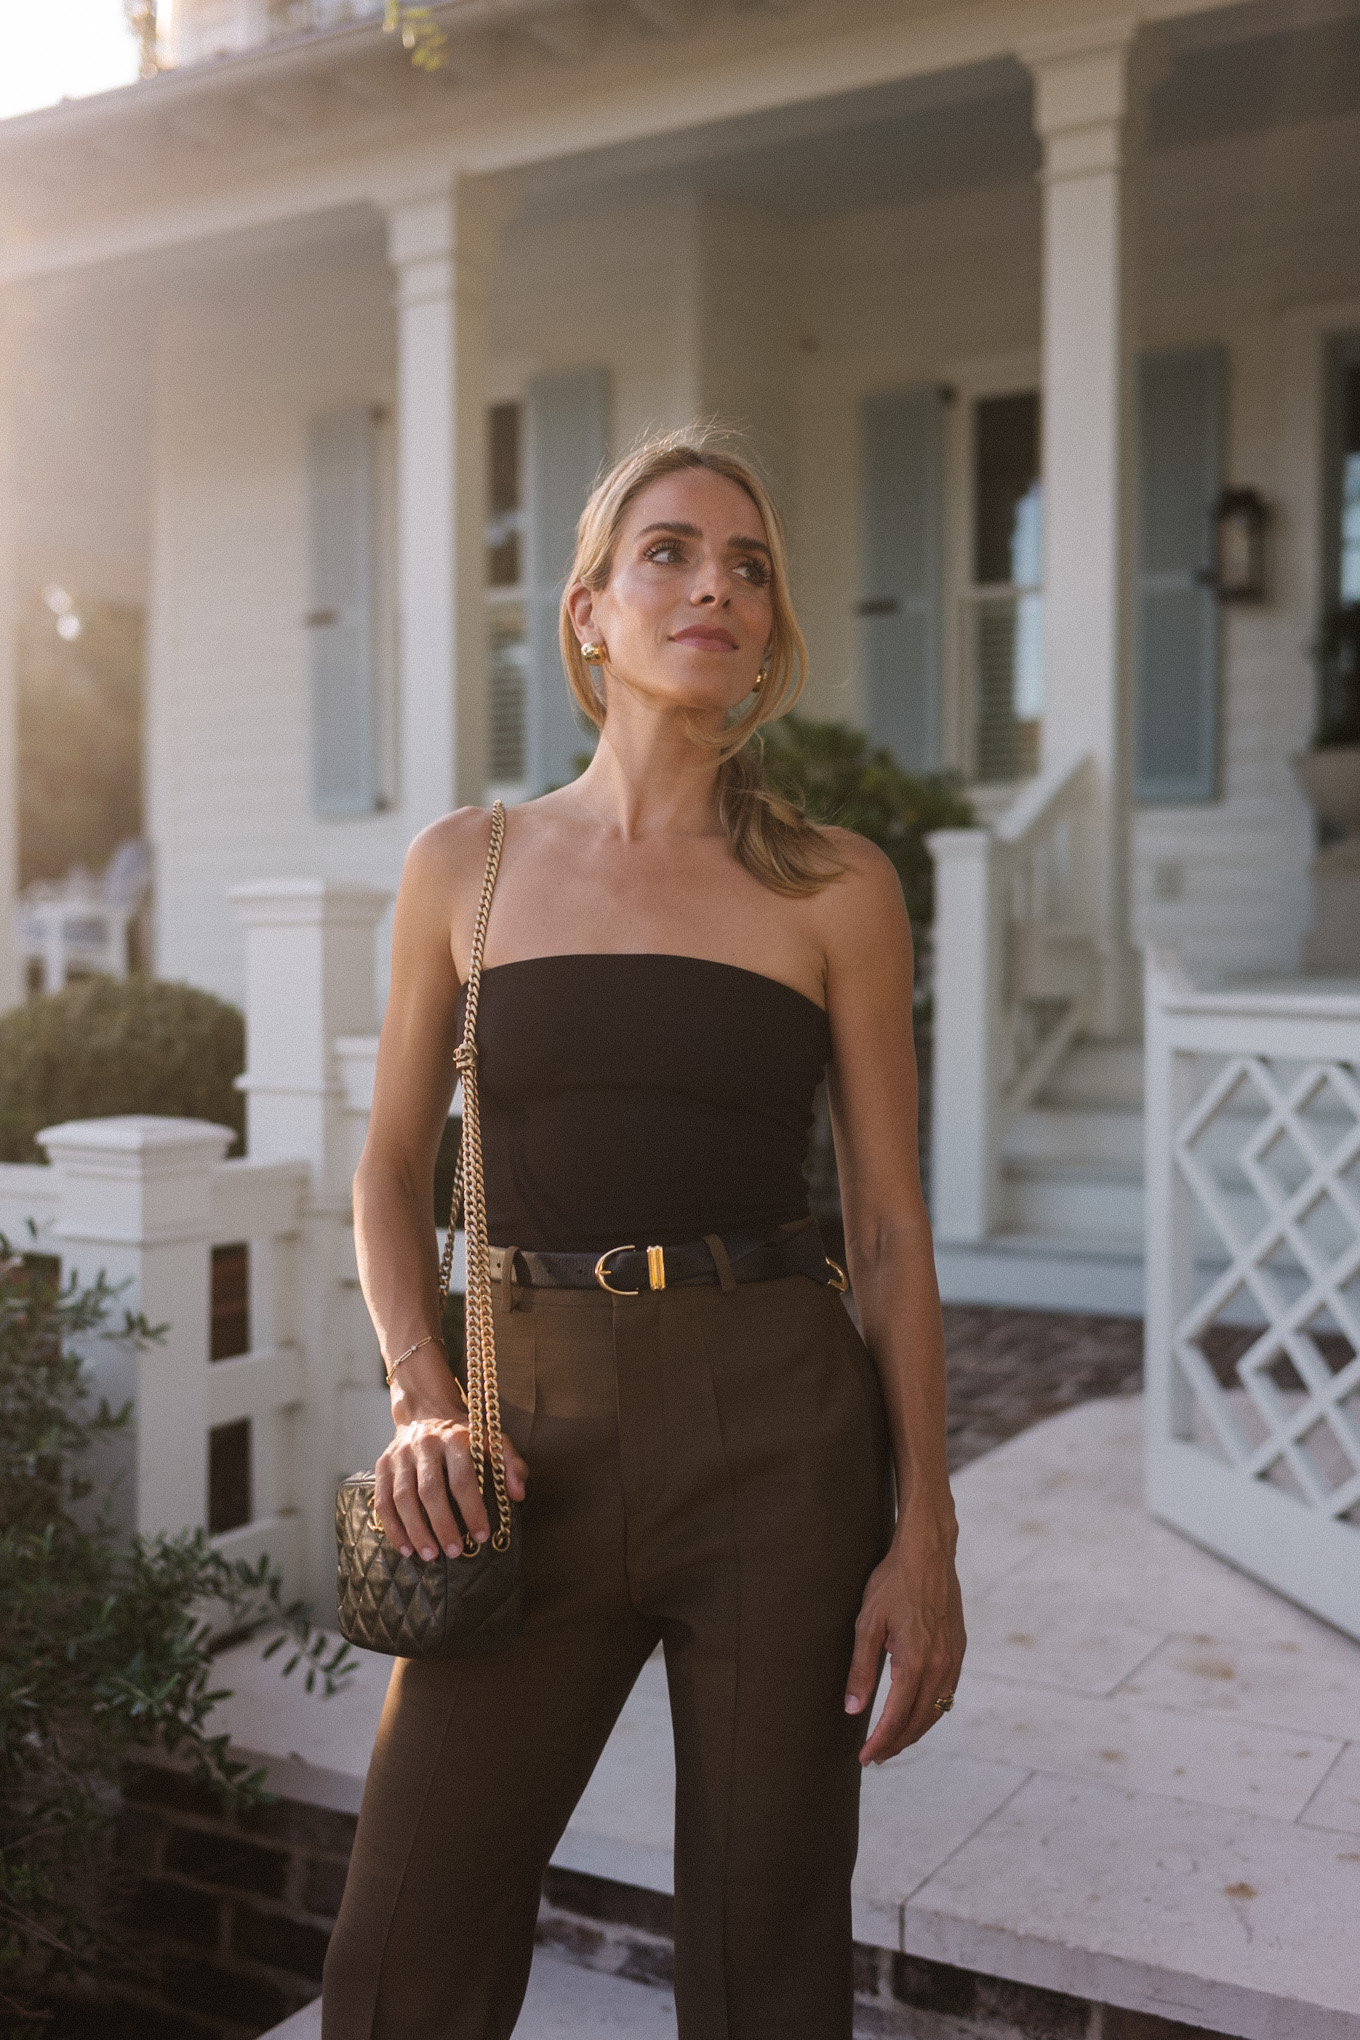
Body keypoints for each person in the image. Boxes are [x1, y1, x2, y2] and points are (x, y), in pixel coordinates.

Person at [321, 429, 966, 2040]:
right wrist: (420, 1397)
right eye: (670, 553)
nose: (717, 588)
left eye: (749, 567)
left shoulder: (834, 888)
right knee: (404, 1947)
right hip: (519, 1442)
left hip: (779, 1440)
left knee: (766, 1955)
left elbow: (887, 1227)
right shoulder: (462, 869)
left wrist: (928, 1530)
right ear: (590, 613)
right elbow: (391, 1170)